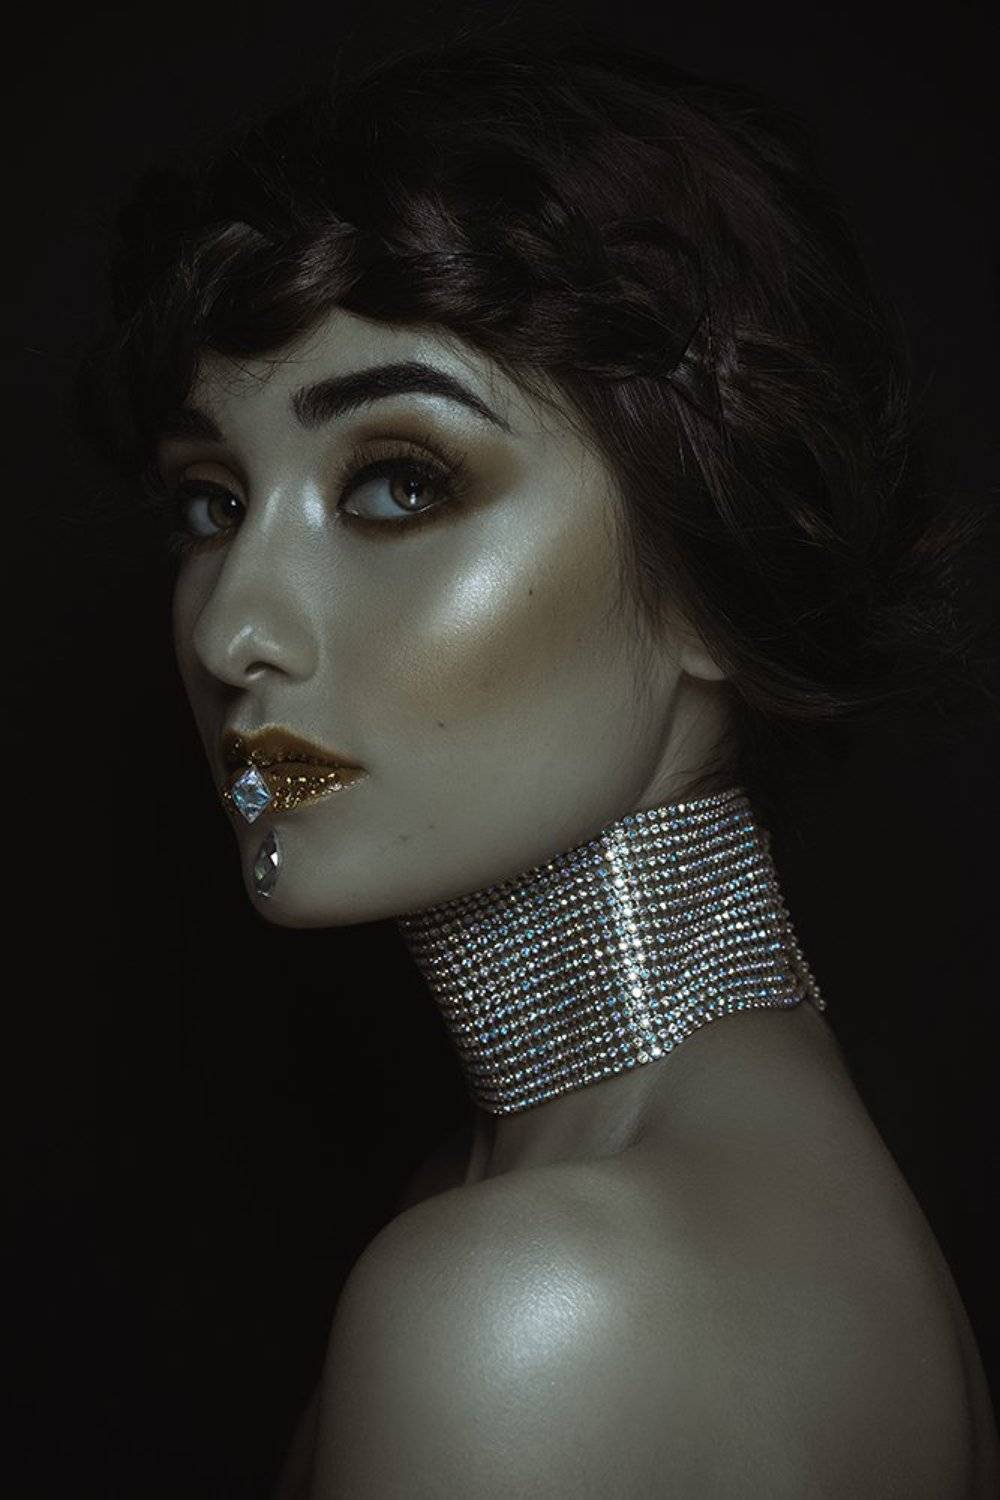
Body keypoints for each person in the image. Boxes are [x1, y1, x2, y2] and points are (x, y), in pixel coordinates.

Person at [74, 10, 998, 1497]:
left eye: (397, 484)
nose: (234, 627)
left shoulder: (535, 1300)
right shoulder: (714, 1196)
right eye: (211, 503)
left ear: (715, 566)